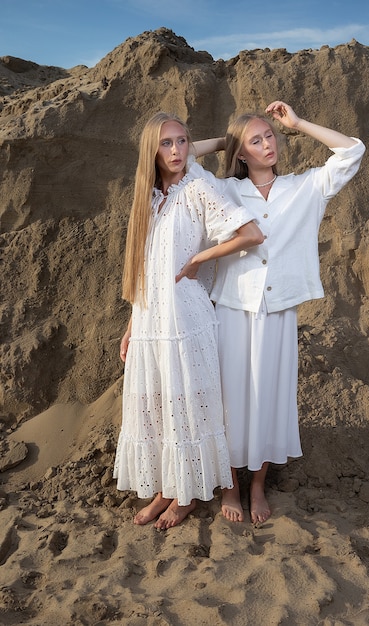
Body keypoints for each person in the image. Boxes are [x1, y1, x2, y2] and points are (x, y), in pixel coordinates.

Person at [194, 100, 365, 524]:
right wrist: (225, 141)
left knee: (270, 396)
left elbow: (352, 151)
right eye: (256, 140)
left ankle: (257, 486)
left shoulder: (305, 187)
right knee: (230, 398)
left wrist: (299, 123)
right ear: (240, 153)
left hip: (278, 311)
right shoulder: (225, 190)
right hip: (233, 308)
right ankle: (231, 486)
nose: (268, 143)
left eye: (270, 135)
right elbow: (174, 162)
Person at [112, 112, 264, 530]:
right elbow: (142, 268)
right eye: (167, 144)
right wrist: (130, 326)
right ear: (152, 151)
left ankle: (185, 496)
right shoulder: (148, 196)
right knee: (158, 406)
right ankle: (165, 488)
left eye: (183, 141)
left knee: (188, 406)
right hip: (148, 318)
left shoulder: (199, 185)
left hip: (187, 318)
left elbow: (250, 234)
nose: (177, 151)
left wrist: (199, 258)